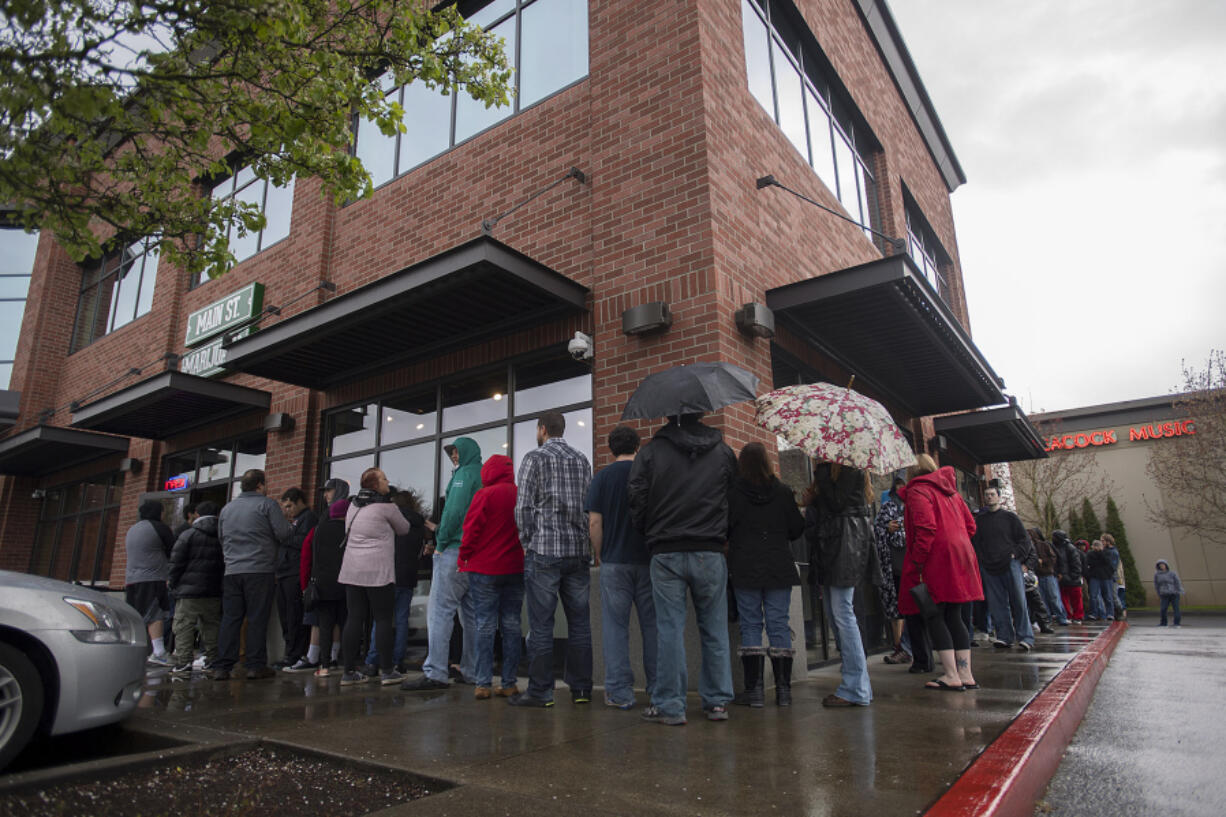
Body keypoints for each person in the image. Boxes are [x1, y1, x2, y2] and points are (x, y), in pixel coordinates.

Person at [629, 412, 736, 725]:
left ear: (668, 414)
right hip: (710, 550)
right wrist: (722, 532)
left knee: (669, 629)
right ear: (701, 413)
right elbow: (733, 496)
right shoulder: (723, 452)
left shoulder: (650, 452)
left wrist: (649, 532)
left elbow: (636, 498)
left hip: (666, 550)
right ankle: (717, 703)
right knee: (714, 630)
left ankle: (671, 705)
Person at [511, 411, 593, 708]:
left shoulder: (534, 459)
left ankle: (541, 692)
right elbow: (589, 506)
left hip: (544, 550)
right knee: (580, 624)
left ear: (542, 429)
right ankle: (582, 689)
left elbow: (523, 509)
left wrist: (527, 543)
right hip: (577, 551)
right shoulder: (582, 459)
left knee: (542, 625)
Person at [726, 442, 805, 708]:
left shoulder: (734, 493)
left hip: (745, 566)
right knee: (778, 625)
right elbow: (796, 528)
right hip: (778, 566)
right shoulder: (782, 492)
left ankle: (755, 691)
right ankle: (783, 691)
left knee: (750, 625)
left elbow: (725, 527)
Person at [898, 454, 983, 692]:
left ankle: (950, 674)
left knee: (935, 614)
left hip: (937, 557)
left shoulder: (918, 491)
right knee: (954, 615)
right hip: (961, 556)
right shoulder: (952, 492)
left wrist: (917, 562)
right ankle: (965, 673)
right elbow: (971, 526)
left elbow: (926, 529)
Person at [586, 425, 657, 711]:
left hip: (615, 561)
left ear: (610, 449)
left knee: (615, 628)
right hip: (650, 560)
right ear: (638, 447)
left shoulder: (601, 478)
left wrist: (601, 554)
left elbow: (594, 523)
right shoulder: (649, 475)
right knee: (653, 627)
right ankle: (658, 689)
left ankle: (619, 693)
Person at [403, 437, 482, 691]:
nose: (454, 456)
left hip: (454, 550)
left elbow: (454, 511)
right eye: (451, 453)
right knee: (471, 617)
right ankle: (471, 670)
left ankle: (435, 671)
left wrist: (440, 541)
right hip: (476, 555)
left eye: (457, 451)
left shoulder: (463, 477)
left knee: (439, 612)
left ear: (468, 451)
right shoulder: (482, 476)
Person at [807, 461, 881, 707]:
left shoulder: (849, 468)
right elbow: (833, 504)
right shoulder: (842, 471)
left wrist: (821, 475)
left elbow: (838, 502)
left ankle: (856, 687)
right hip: (836, 545)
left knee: (843, 614)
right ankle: (857, 685)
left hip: (845, 544)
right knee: (837, 614)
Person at [213, 469, 293, 681]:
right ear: (260, 485)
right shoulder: (267, 505)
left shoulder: (227, 509)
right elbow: (284, 534)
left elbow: (221, 538)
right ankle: (255, 665)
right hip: (260, 570)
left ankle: (222, 666)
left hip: (232, 571)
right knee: (257, 618)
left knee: (231, 618)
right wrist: (287, 522)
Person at [459, 454, 524, 700]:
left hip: (484, 569)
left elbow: (471, 528)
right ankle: (509, 682)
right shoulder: (519, 494)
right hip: (515, 567)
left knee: (484, 625)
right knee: (512, 624)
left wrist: (463, 557)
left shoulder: (484, 495)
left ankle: (483, 683)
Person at [338, 467, 410, 686]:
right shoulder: (387, 507)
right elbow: (405, 528)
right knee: (383, 619)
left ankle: (348, 672)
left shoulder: (353, 506)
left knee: (354, 618)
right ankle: (387, 671)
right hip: (378, 572)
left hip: (352, 570)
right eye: (384, 479)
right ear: (375, 485)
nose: (388, 482)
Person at [285, 478, 350, 673]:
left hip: (325, 578)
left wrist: (307, 581)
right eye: (325, 491)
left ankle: (322, 659)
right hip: (335, 578)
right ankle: (328, 657)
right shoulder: (325, 518)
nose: (325, 495)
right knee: (331, 619)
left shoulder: (324, 521)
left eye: (329, 491)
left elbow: (308, 549)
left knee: (323, 619)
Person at [362, 489, 426, 674]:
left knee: (381, 620)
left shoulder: (390, 521)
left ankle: (373, 661)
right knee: (401, 620)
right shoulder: (417, 524)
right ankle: (398, 662)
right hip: (408, 577)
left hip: (387, 575)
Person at [971, 486, 1034, 651]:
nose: (989, 497)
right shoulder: (981, 521)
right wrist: (982, 560)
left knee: (1019, 601)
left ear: (999, 497)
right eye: (986, 495)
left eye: (992, 494)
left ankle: (1025, 637)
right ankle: (1004, 636)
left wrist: (1016, 555)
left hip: (1010, 564)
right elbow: (976, 544)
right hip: (989, 567)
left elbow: (1025, 540)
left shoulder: (1010, 518)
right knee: (997, 604)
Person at [167, 500, 223, 674]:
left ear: (197, 514)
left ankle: (184, 661)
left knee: (184, 626)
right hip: (213, 590)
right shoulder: (222, 535)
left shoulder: (188, 535)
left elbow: (176, 562)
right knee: (212, 626)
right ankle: (212, 659)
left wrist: (172, 582)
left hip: (188, 591)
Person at [125, 500, 176, 667]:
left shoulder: (133, 529)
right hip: (152, 579)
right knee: (156, 615)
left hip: (132, 580)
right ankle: (159, 652)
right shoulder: (159, 528)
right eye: (162, 511)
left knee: (139, 616)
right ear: (158, 512)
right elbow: (174, 550)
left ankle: (136, 652)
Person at [305, 495, 351, 677]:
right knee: (347, 623)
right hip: (345, 582)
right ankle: (347, 663)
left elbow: (314, 557)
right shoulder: (349, 531)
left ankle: (324, 665)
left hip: (323, 583)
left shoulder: (318, 530)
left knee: (325, 625)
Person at [275, 488, 318, 669]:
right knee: (285, 616)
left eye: (290, 506)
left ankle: (295, 653)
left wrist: (284, 537)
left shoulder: (309, 518)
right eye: (285, 507)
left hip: (295, 573)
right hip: (284, 572)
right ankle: (289, 651)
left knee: (294, 616)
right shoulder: (295, 522)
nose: (288, 511)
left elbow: (304, 543)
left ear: (300, 501)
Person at [872, 478, 909, 665]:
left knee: (913, 608)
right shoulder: (887, 508)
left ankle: (911, 647)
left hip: (912, 566)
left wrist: (902, 531)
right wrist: (887, 528)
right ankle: (899, 646)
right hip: (892, 565)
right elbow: (876, 529)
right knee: (896, 610)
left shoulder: (914, 507)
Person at [1031, 527, 1068, 625]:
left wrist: (1043, 561)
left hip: (1048, 574)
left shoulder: (1045, 545)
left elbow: (1054, 558)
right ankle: (1047, 618)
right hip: (1038, 574)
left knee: (1054, 596)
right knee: (1042, 599)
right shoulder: (1031, 546)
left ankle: (1061, 617)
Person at [1052, 530, 1084, 623]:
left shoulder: (1070, 548)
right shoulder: (1056, 548)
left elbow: (1076, 564)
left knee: (1076, 599)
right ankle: (1068, 616)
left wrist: (1072, 576)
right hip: (1063, 578)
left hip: (1071, 578)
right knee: (1063, 599)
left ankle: (1077, 617)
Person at [1085, 540, 1116, 622]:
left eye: (1098, 546)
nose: (1096, 548)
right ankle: (1094, 613)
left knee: (1108, 596)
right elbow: (1091, 563)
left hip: (1106, 577)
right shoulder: (1090, 554)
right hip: (1095, 577)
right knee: (1093, 596)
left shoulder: (1107, 552)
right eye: (1095, 546)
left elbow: (1107, 561)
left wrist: (1100, 553)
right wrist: (1099, 561)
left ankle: (1110, 613)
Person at [1153, 559, 1184, 627]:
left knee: (1176, 608)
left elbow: (1177, 582)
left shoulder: (1172, 573)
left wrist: (1179, 590)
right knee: (1163, 609)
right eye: (1160, 565)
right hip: (1164, 594)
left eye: (1163, 565)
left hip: (1174, 593)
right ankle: (1163, 623)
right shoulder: (1157, 575)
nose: (1162, 566)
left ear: (1166, 565)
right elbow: (1156, 585)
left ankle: (1177, 623)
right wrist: (1159, 593)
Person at [1101, 533, 1124, 618]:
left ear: (1108, 541)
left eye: (1103, 540)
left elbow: (1112, 566)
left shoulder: (1113, 552)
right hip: (1106, 576)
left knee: (1113, 595)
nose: (1102, 542)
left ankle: (1119, 611)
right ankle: (1113, 612)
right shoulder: (1105, 551)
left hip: (1111, 577)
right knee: (1107, 595)